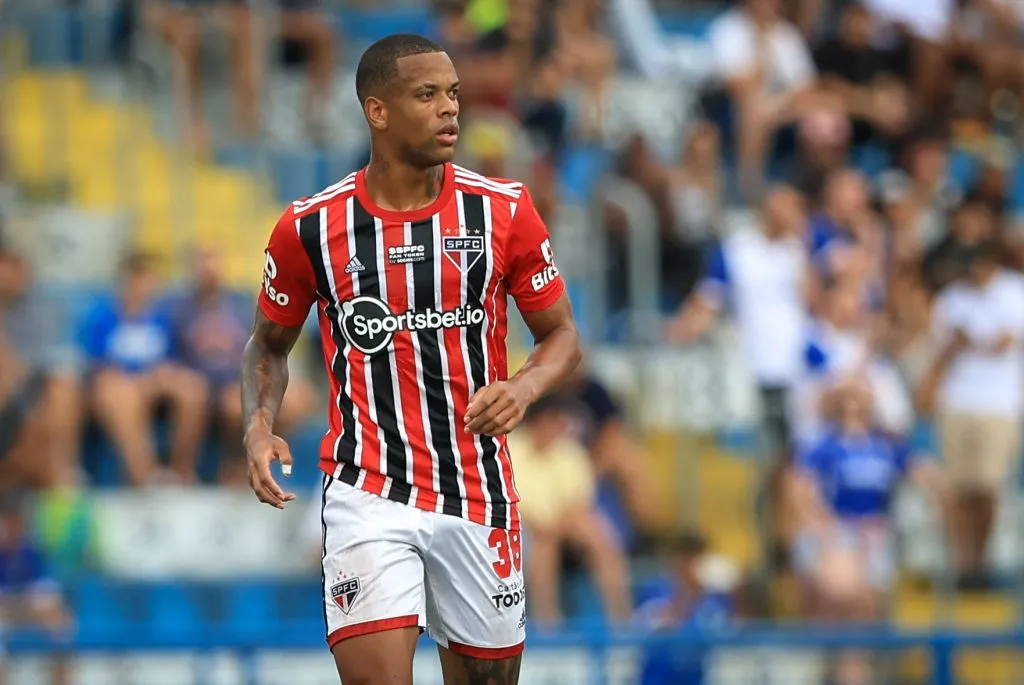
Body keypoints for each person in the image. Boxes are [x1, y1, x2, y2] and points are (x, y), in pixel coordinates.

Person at [240, 34, 581, 685]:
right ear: (378, 111)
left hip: (476, 488)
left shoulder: (503, 210)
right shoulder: (310, 227)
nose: (450, 108)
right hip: (368, 487)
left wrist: (526, 385)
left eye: (453, 93)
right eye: (427, 95)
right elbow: (267, 343)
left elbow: (562, 335)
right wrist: (258, 426)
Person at [507, 393, 632, 626]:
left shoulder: (569, 451)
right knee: (545, 545)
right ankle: (549, 625)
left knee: (601, 536)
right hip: (524, 527)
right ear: (541, 422)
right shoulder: (511, 449)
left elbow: (580, 502)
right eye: (556, 422)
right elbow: (511, 500)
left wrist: (557, 525)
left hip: (563, 524)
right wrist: (543, 526)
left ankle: (621, 620)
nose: (560, 428)